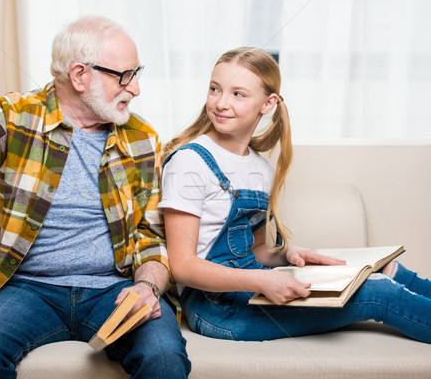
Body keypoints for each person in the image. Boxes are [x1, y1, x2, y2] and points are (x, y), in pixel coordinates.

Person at [0, 16, 191, 378]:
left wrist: (147, 286)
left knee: (164, 355)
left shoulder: (141, 137)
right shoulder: (15, 118)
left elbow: (152, 237)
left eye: (137, 73)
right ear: (79, 75)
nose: (135, 88)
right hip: (28, 289)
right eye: (124, 75)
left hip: (114, 290)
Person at [158, 46, 431, 343]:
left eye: (238, 94)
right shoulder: (189, 161)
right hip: (215, 308)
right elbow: (182, 266)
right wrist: (261, 278)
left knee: (389, 270)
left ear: (268, 103)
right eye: (215, 89)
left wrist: (285, 254)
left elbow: (254, 250)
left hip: (253, 286)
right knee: (381, 293)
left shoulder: (260, 168)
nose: (221, 102)